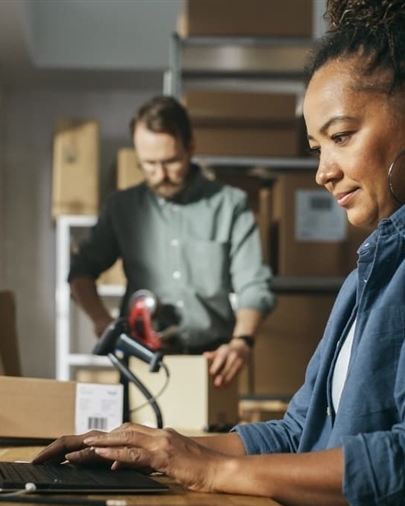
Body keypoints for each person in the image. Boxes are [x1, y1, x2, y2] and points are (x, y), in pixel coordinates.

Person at [37, 1, 405, 506]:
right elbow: (299, 433)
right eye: (317, 147)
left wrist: (208, 470)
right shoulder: (388, 253)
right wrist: (161, 449)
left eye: (340, 137)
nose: (323, 172)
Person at [68, 96, 275, 388]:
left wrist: (242, 342)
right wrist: (102, 321)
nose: (160, 175)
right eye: (149, 164)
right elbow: (80, 271)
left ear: (190, 147)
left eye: (170, 162)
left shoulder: (230, 205)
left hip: (211, 364)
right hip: (140, 361)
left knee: (204, 436)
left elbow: (253, 285)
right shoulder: (122, 207)